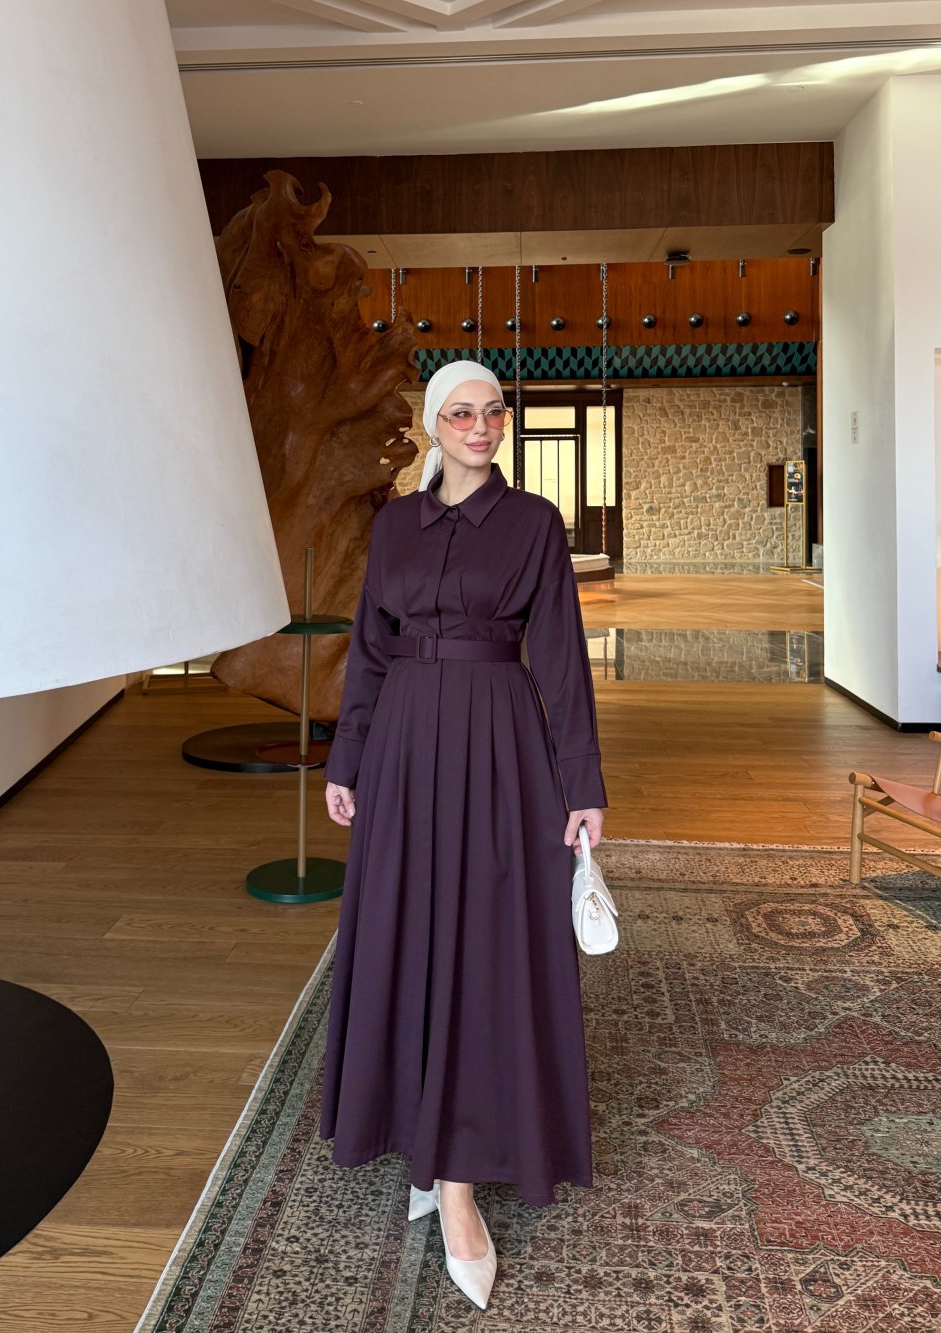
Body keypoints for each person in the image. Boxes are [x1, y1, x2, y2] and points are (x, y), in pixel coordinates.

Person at [319, 359, 607, 1311]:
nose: (479, 427)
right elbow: (369, 650)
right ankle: (417, 1130)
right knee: (406, 934)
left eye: (492, 412)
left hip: (498, 745)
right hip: (402, 744)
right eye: (459, 413)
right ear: (435, 427)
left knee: (485, 946)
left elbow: (560, 658)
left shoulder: (534, 524)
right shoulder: (393, 525)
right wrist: (346, 759)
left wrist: (582, 785)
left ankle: (456, 1183)